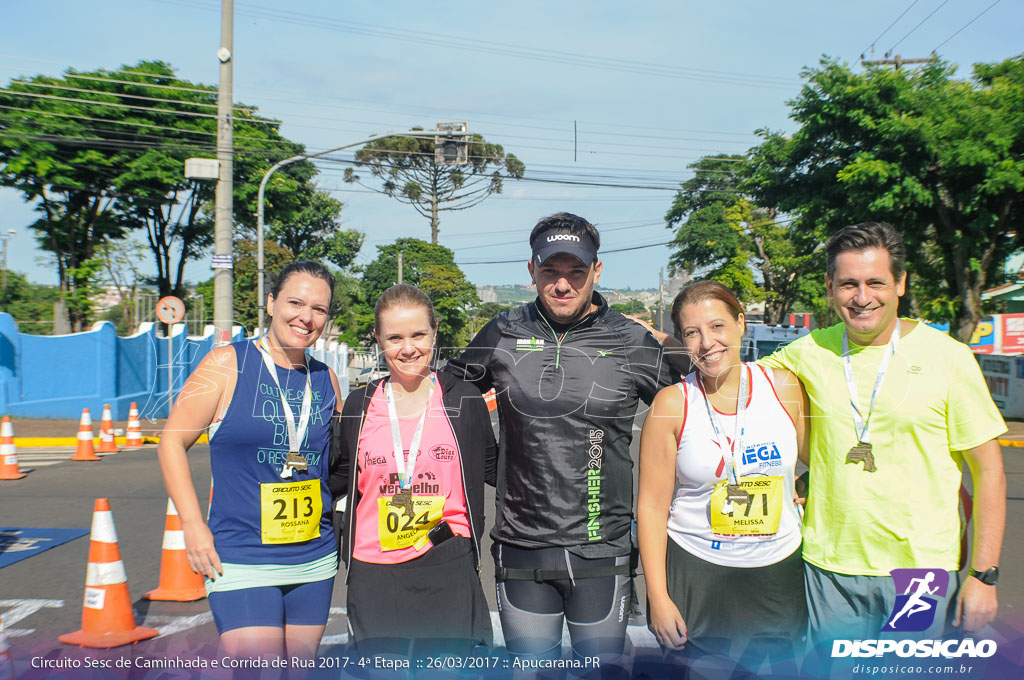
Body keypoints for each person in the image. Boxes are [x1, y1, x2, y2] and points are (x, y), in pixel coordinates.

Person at [444, 212, 679, 668]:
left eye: (576, 272)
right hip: (520, 545)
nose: (562, 285)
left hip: (602, 546)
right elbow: (449, 394)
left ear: (597, 271)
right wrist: (494, 467)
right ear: (532, 270)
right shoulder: (503, 331)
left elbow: (700, 400)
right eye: (550, 271)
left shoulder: (630, 340)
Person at [759, 222, 1006, 645]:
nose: (862, 297)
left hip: (920, 572)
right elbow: (728, 378)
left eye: (876, 282)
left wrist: (984, 576)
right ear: (829, 286)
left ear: (901, 283)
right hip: (830, 568)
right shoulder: (810, 350)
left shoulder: (948, 357)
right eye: (848, 284)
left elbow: (989, 473)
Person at [157, 261, 344, 661]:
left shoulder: (325, 378)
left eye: (320, 309)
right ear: (271, 302)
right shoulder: (227, 364)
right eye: (295, 302)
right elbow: (171, 442)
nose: (306, 317)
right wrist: (192, 525)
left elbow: (342, 461)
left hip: (314, 555)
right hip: (241, 555)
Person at [637, 281, 808, 671]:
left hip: (778, 572)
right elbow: (650, 507)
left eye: (717, 327)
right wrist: (659, 598)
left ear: (741, 324)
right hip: (698, 571)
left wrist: (802, 489)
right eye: (692, 333)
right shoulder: (672, 404)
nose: (706, 343)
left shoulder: (783, 388)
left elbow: (816, 462)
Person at [330, 284, 496, 656]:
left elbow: (497, 469)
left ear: (435, 331)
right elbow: (339, 476)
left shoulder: (464, 400)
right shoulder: (360, 404)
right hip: (374, 572)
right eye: (395, 337)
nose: (408, 348)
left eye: (419, 334)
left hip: (447, 562)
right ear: (378, 338)